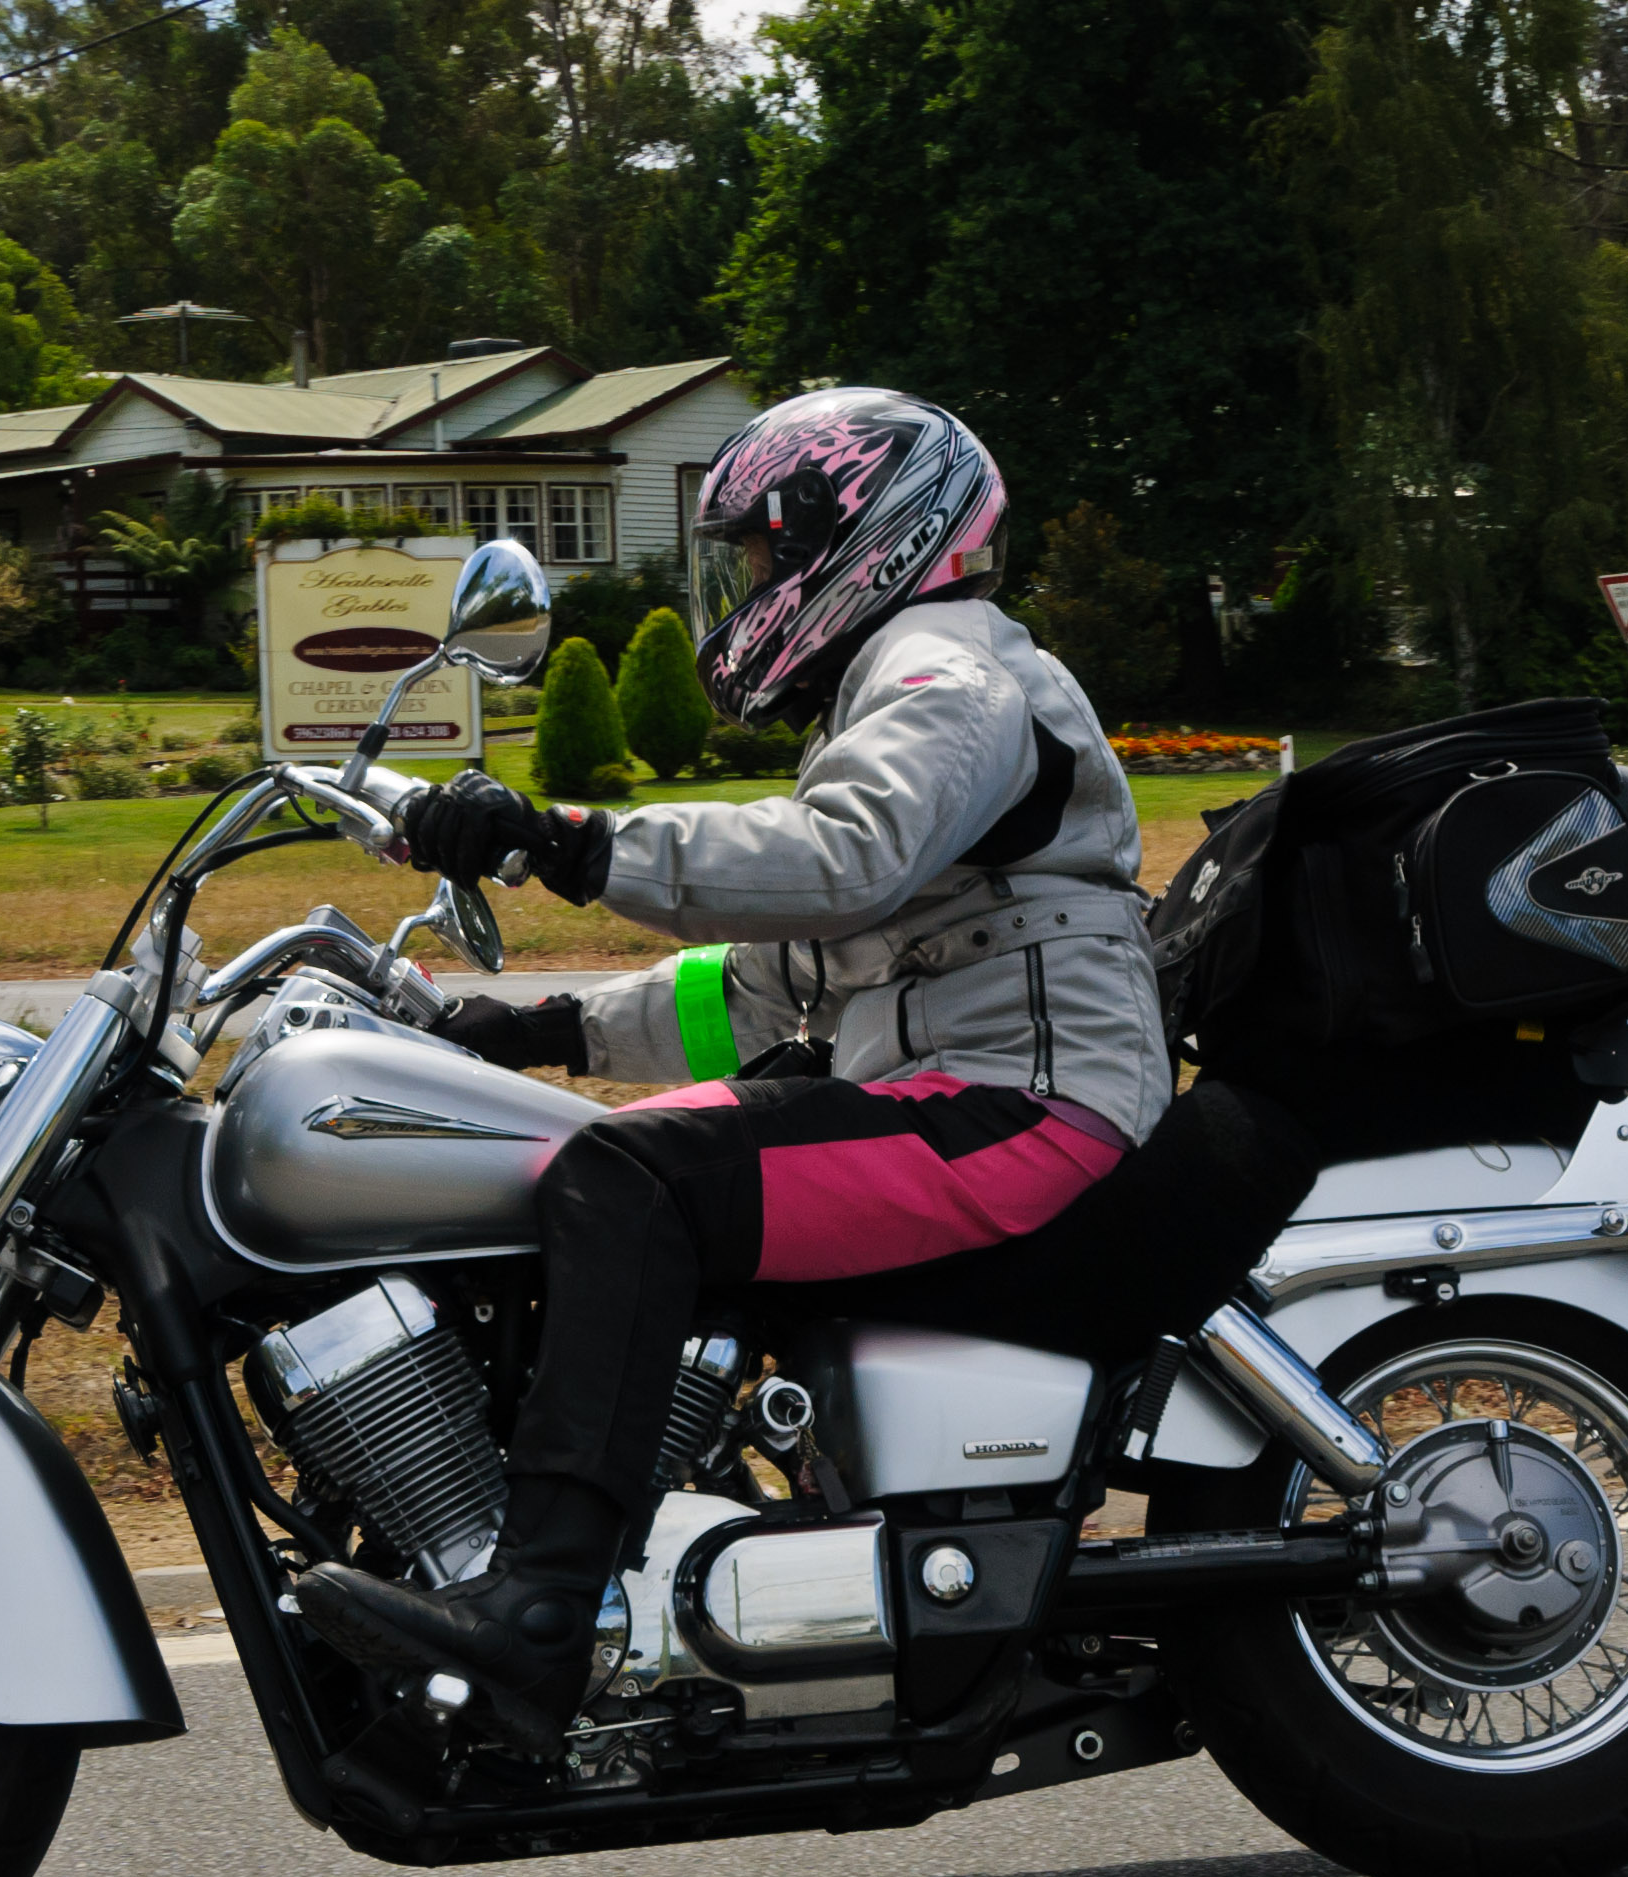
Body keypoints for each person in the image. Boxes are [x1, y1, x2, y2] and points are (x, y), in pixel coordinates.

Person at [293, 386, 1183, 1758]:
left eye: (765, 555)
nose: (751, 587)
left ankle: (536, 1614)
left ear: (868, 534)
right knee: (584, 1147)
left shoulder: (950, 670)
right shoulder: (898, 691)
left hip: (1025, 1103)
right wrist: (535, 1033)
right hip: (956, 1092)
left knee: (626, 1177)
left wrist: (562, 838)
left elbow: (834, 860)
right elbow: (776, 980)